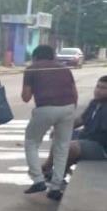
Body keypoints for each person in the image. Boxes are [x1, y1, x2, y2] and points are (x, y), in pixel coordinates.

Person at [21, 45, 78, 201]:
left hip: (45, 108)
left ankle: (38, 179)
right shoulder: (65, 69)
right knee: (62, 146)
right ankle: (55, 187)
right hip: (68, 107)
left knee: (31, 142)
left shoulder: (32, 69)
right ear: (53, 56)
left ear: (35, 57)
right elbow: (74, 93)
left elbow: (26, 97)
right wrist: (71, 111)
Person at [42, 76, 107, 181]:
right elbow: (81, 119)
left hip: (101, 147)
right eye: (98, 86)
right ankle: (47, 166)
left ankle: (59, 175)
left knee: (71, 147)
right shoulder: (95, 103)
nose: (98, 90)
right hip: (87, 137)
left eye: (103, 88)